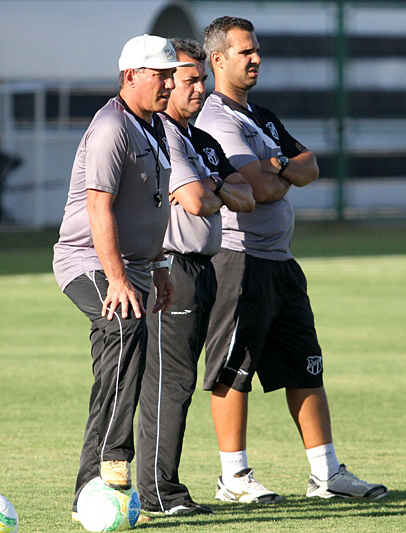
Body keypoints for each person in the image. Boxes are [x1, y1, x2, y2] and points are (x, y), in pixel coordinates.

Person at [195, 16, 388, 503]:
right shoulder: (215, 119)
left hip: (280, 263)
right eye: (245, 52)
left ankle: (327, 475)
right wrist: (278, 172)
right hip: (240, 263)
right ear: (218, 59)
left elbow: (310, 166)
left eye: (257, 49)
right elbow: (256, 189)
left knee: (306, 368)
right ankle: (233, 479)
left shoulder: (261, 116)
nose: (256, 57)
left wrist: (276, 165)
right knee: (233, 370)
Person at [52, 34, 194, 519]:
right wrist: (117, 278)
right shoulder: (113, 126)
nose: (170, 84)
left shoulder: (152, 126)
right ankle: (113, 461)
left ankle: (88, 492)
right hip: (85, 260)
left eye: (172, 75)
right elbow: (99, 209)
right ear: (131, 75)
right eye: (162, 75)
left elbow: (150, 210)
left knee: (117, 357)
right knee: (122, 324)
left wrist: (158, 268)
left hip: (135, 266)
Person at [136, 38, 255, 517]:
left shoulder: (200, 139)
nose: (200, 88)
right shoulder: (163, 133)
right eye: (189, 80)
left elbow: (249, 196)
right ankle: (159, 491)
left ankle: (161, 486)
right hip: (172, 267)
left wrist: (216, 186)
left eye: (202, 79)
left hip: (205, 266)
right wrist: (217, 188)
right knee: (171, 380)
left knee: (178, 379)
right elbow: (196, 202)